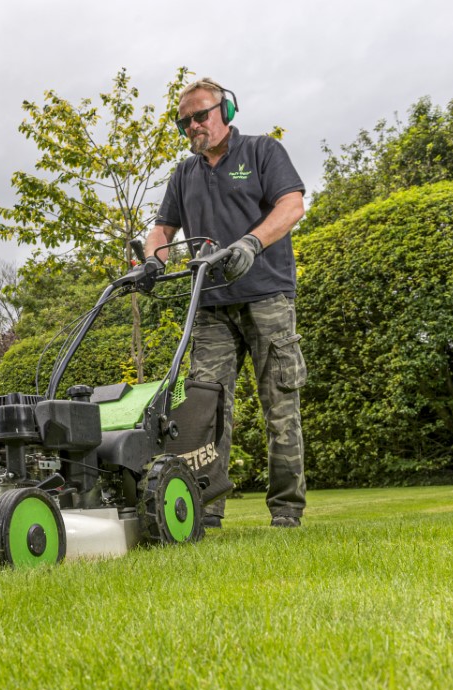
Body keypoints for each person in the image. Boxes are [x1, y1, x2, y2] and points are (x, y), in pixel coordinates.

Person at [144, 77, 307, 528]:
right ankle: (205, 510)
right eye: (185, 122)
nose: (194, 126)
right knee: (203, 411)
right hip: (211, 306)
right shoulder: (185, 174)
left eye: (201, 115)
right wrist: (151, 258)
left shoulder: (261, 152)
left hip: (267, 297)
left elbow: (291, 205)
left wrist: (252, 243)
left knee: (280, 405)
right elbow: (162, 228)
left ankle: (287, 511)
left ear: (226, 112)